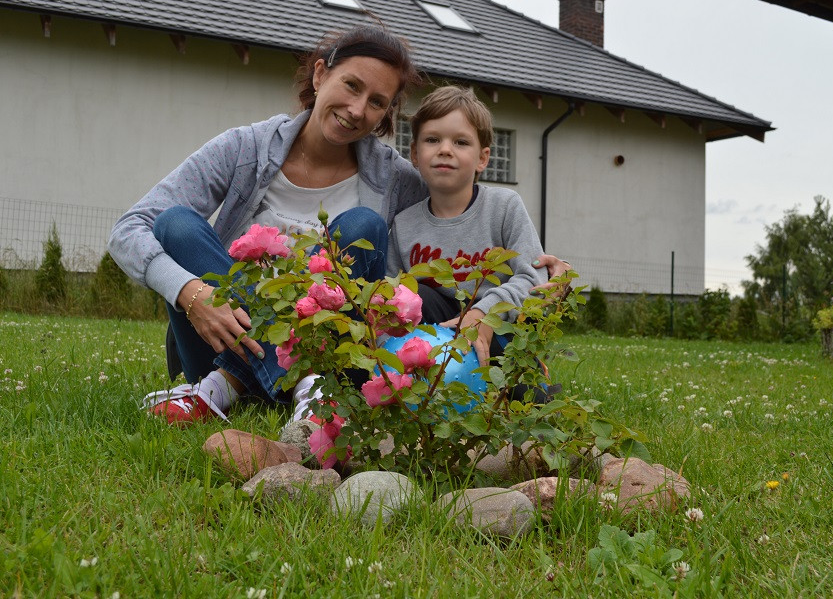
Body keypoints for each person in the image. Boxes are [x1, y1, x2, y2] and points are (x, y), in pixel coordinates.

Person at [109, 25, 570, 425]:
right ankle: (293, 388)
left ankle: (231, 389)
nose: (356, 109)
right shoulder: (244, 149)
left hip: (328, 356)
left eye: (376, 102)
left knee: (362, 225)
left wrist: (544, 275)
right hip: (227, 334)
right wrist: (192, 293)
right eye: (350, 85)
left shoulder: (395, 180)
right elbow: (130, 228)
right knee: (175, 225)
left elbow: (457, 206)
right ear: (319, 74)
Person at [386, 86, 545, 369]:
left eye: (460, 142)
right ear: (414, 153)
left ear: (482, 158)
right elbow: (391, 296)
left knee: (532, 404)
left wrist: (483, 313)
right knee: (413, 295)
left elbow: (532, 279)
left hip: (497, 332)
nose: (445, 150)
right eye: (432, 139)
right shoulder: (404, 225)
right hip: (433, 342)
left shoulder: (504, 206)